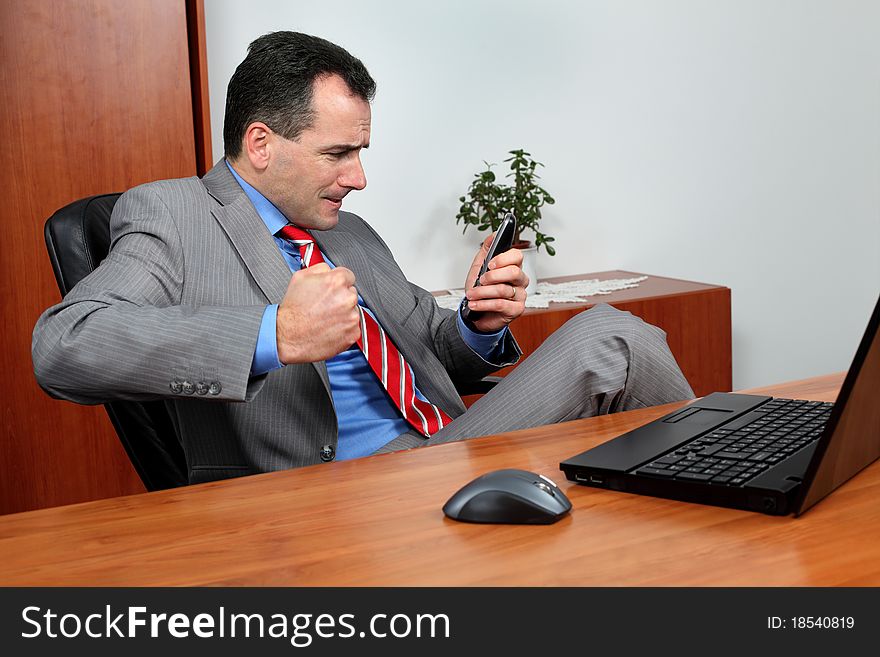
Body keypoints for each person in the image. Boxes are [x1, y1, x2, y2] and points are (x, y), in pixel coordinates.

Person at [32, 31, 694, 484]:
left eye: (361, 153)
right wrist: (272, 335)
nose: (358, 178)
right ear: (261, 143)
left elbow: (434, 349)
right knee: (614, 340)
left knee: (616, 344)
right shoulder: (173, 214)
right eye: (338, 154)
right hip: (326, 489)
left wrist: (475, 324)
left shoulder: (348, 232)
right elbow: (63, 346)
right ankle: (738, 493)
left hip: (443, 449)